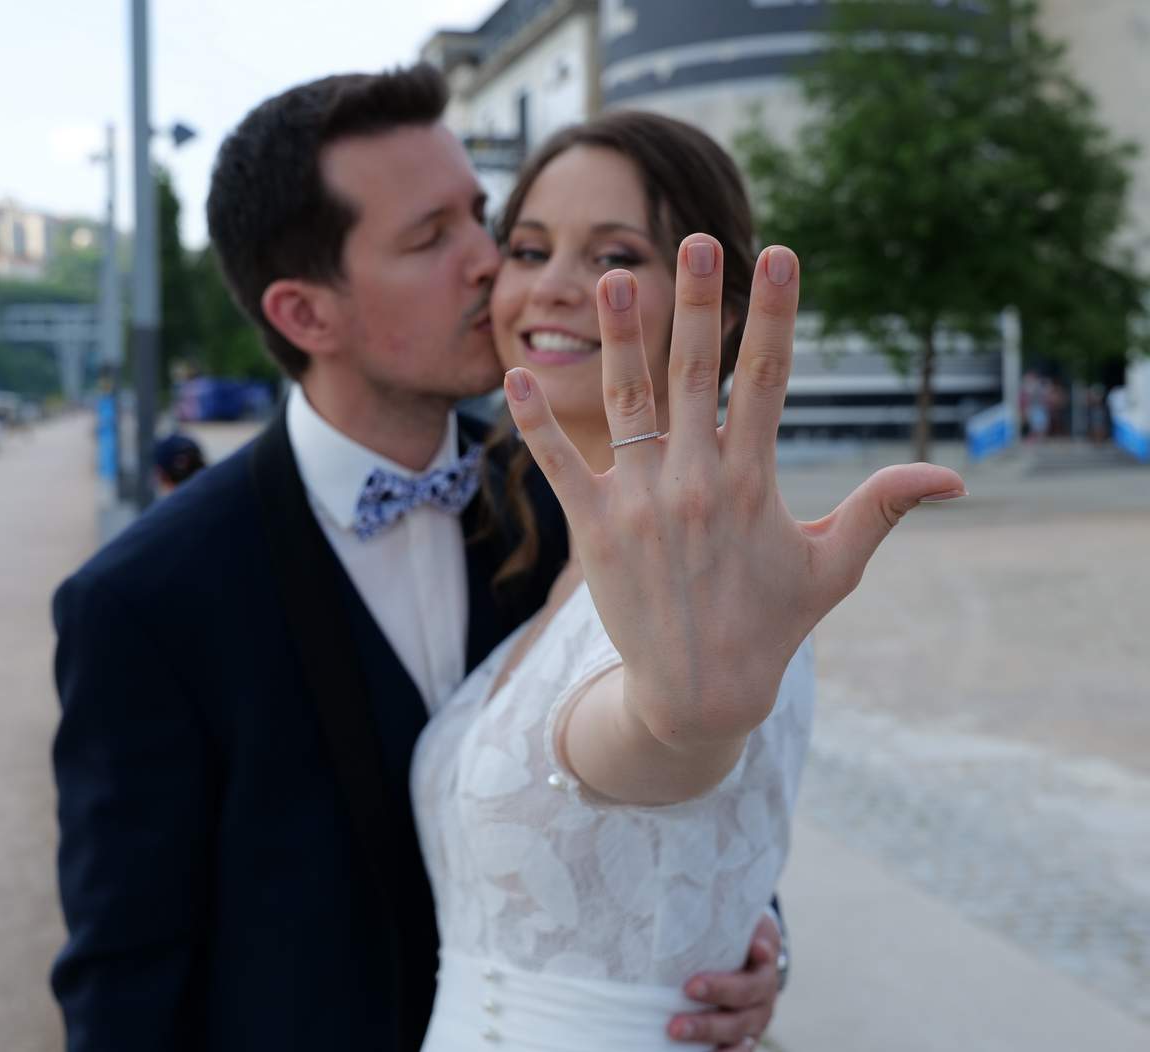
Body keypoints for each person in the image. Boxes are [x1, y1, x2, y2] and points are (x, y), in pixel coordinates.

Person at [50, 67, 793, 1052]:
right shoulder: (143, 601)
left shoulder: (575, 506)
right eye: (431, 237)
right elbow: (124, 980)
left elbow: (677, 780)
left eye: (482, 218)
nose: (493, 263)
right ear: (307, 315)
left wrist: (753, 934)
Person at [409, 112, 965, 1051]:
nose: (552, 288)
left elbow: (657, 738)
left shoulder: (724, 591)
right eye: (531, 248)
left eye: (613, 257)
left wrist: (687, 717)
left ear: (721, 310)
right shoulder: (539, 547)